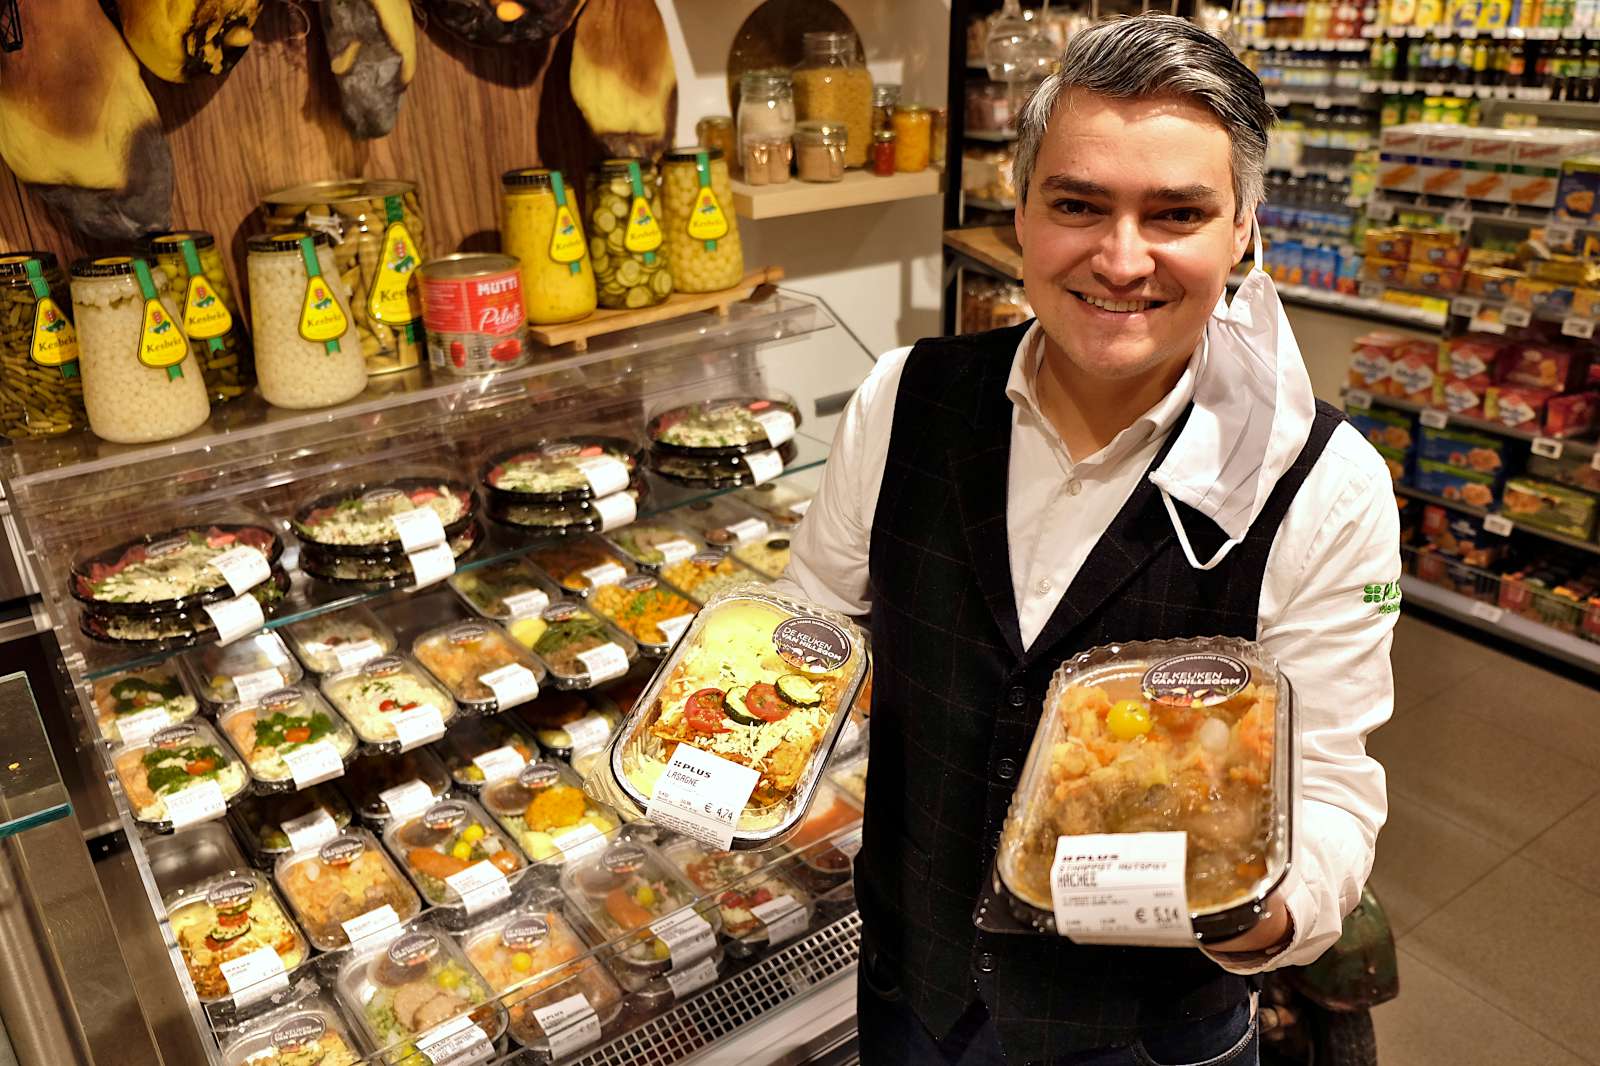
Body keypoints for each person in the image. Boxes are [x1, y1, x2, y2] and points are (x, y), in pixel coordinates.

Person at [776, 14, 1398, 1066]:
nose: (1120, 259)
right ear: (1018, 210)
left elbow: (1331, 788)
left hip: (1146, 1034)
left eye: (1176, 213)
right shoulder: (903, 400)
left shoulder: (1325, 487)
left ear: (1242, 228)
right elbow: (814, 631)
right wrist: (731, 748)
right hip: (908, 991)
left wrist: (1259, 911)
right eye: (1076, 204)